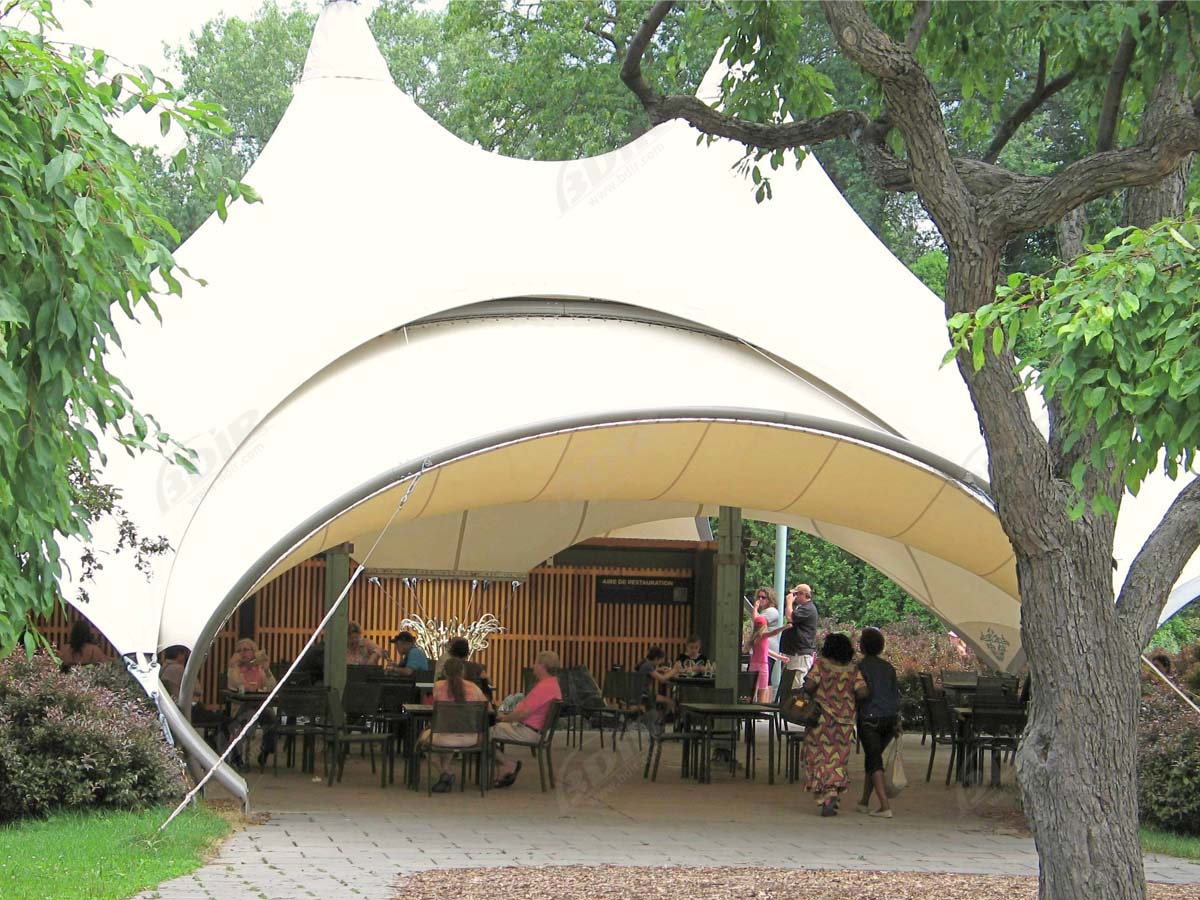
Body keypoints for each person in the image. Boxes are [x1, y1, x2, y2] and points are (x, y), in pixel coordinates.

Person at [802, 632, 867, 817]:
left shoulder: (821, 665)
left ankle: (825, 794)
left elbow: (808, 685)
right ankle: (833, 792)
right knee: (838, 759)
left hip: (820, 720)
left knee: (818, 757)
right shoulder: (853, 670)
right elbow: (862, 692)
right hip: (845, 723)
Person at [492, 650, 562, 788]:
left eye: (535, 663)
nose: (533, 666)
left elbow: (522, 714)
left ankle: (508, 765)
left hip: (528, 732)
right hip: (532, 730)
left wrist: (505, 719)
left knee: (483, 733)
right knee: (486, 731)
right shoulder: (552, 684)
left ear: (542, 666)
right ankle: (505, 766)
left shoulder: (544, 687)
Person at [419, 656, 489, 793]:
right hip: (470, 738)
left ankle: (445, 772)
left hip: (443, 736)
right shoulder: (474, 688)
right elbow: (488, 708)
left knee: (423, 740)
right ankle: (445, 774)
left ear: (444, 672)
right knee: (450, 737)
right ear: (463, 671)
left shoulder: (438, 687)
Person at [855, 627, 901, 819]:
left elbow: (859, 692)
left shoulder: (860, 667)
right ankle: (864, 801)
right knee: (873, 758)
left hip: (869, 717)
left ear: (862, 646)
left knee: (874, 761)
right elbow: (895, 695)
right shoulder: (888, 668)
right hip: (889, 718)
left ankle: (884, 805)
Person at [226, 638, 278, 769]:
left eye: (246, 650)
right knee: (247, 719)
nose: (243, 653)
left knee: (271, 719)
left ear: (254, 652)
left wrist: (267, 671)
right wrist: (232, 666)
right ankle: (237, 755)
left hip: (259, 706)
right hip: (240, 706)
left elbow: (272, 687)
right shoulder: (235, 669)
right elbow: (235, 684)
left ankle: (265, 751)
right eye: (239, 651)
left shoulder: (259, 669)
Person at [780, 583, 819, 682]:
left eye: (796, 594)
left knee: (797, 684)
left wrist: (789, 602)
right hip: (794, 653)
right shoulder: (802, 608)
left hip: (800, 654)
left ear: (802, 594)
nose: (794, 597)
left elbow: (790, 617)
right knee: (789, 685)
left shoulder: (808, 608)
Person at [745, 614, 787, 703]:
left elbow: (765, 650)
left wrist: (779, 657)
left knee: (752, 689)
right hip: (763, 665)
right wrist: (784, 627)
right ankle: (761, 707)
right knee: (763, 688)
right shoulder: (763, 635)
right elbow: (774, 632)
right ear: (765, 625)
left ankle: (750, 707)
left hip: (753, 665)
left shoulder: (754, 637)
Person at [637, 646, 678, 714]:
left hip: (640, 693)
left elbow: (648, 671)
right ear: (656, 659)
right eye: (660, 661)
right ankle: (662, 721)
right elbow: (662, 679)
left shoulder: (645, 663)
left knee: (668, 701)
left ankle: (660, 720)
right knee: (670, 701)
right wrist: (674, 670)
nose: (660, 663)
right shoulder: (648, 666)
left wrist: (659, 669)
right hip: (644, 695)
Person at [755, 588, 782, 683]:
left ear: (770, 599)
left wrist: (754, 609)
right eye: (758, 597)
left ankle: (765, 698)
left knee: (764, 680)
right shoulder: (764, 611)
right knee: (762, 679)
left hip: (768, 649)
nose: (760, 599)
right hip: (763, 650)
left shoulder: (771, 611)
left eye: (763, 597)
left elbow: (758, 622)